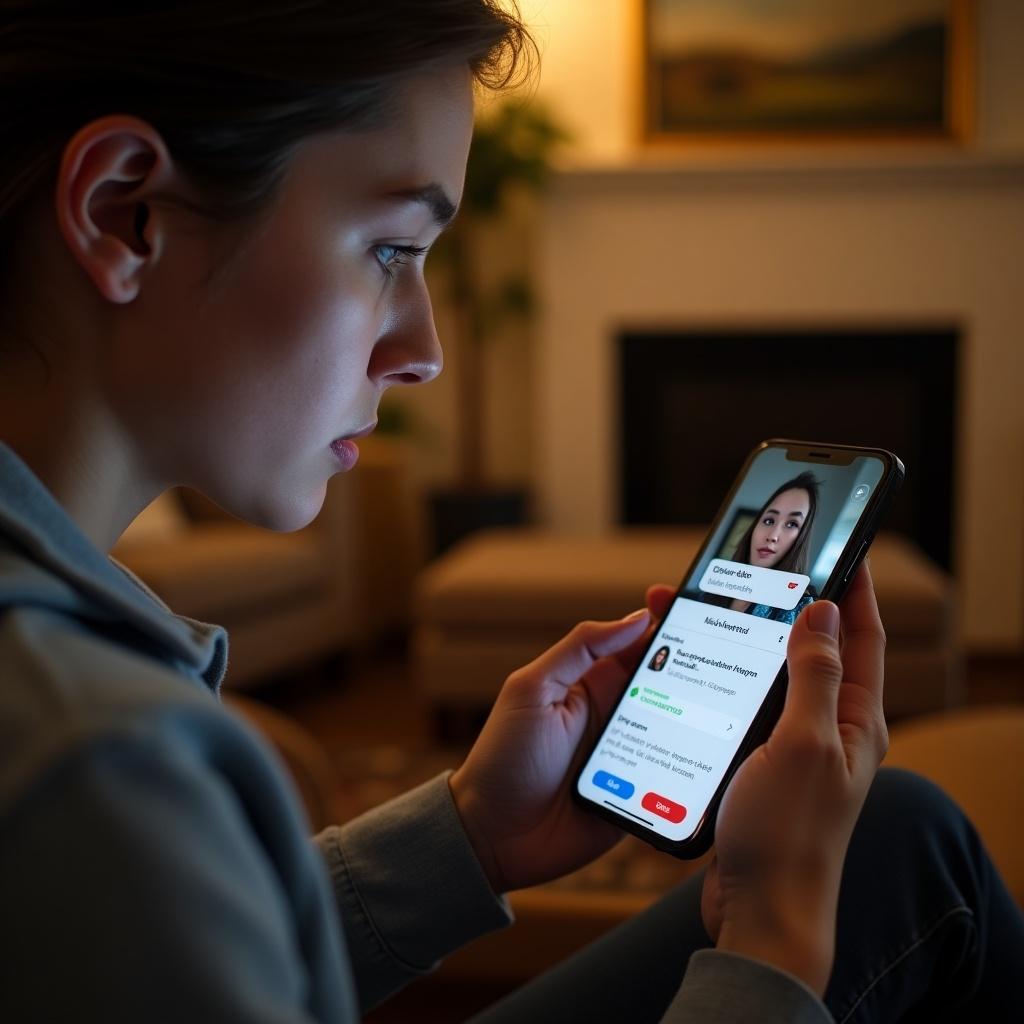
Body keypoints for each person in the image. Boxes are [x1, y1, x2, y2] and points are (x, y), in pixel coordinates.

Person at [1, 3, 1021, 1021]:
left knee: (901, 834)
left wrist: (470, 832)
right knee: (908, 868)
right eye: (394, 249)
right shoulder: (99, 762)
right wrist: (774, 942)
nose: (427, 346)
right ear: (125, 212)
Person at [705, 472, 820, 625]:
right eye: (769, 520)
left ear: (802, 538)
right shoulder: (716, 584)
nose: (773, 536)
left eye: (792, 524)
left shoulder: (803, 606)